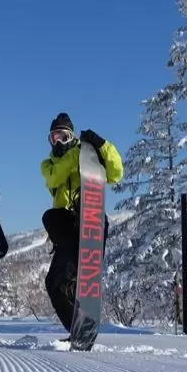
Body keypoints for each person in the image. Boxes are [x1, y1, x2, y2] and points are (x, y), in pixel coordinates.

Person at [40, 112, 123, 333]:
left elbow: (116, 173)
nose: (58, 142)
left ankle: (81, 271)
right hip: (66, 228)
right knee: (54, 284)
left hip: (91, 220)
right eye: (54, 137)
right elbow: (55, 177)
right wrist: (75, 153)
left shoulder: (89, 157)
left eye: (63, 136)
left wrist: (102, 145)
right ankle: (78, 331)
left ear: (72, 136)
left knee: (65, 283)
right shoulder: (48, 165)